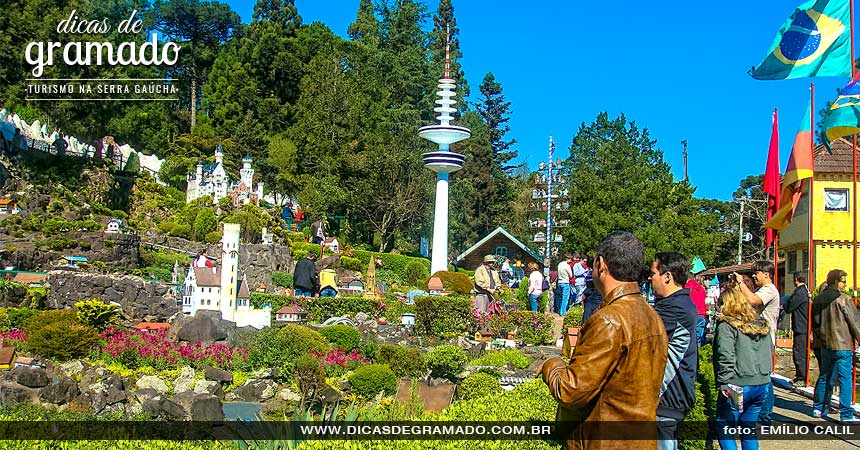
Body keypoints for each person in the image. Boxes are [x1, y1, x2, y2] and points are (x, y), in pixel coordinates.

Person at [541, 231, 668, 450]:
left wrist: (550, 365)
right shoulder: (651, 315)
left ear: (601, 264)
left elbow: (570, 390)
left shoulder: (609, 319)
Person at [713, 285, 773, 450]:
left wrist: (724, 382)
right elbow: (770, 350)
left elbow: (725, 355)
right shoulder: (763, 324)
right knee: (748, 429)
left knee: (724, 426)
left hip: (737, 383)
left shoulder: (727, 325)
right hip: (761, 383)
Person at [649, 253, 698, 450]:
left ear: (667, 276)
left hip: (667, 398)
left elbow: (638, 332)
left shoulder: (674, 308)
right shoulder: (677, 304)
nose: (650, 278)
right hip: (670, 398)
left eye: (653, 273)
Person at [731, 260, 779, 424]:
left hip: (765, 338)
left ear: (766, 274)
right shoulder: (762, 290)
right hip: (758, 337)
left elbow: (753, 301)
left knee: (764, 377)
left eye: (756, 273)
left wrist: (740, 283)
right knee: (760, 375)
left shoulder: (769, 290)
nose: (754, 276)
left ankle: (764, 415)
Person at [811, 269, 860, 423]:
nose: (845, 284)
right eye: (843, 281)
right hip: (842, 344)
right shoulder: (844, 299)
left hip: (825, 344)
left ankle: (818, 407)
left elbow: (815, 323)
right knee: (845, 379)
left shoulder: (818, 299)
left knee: (825, 376)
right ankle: (846, 414)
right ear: (835, 281)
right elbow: (855, 323)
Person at [784, 272, 810, 386]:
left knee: (799, 352)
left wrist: (785, 303)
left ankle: (802, 377)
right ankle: (800, 376)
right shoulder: (805, 292)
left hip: (801, 327)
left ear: (795, 280)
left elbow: (789, 307)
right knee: (799, 351)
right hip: (802, 326)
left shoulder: (800, 293)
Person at [685, 272, 707, 347]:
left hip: (691, 315)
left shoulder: (686, 288)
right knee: (698, 338)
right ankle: (699, 356)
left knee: (688, 339)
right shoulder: (702, 288)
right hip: (701, 315)